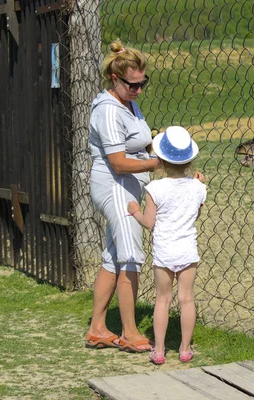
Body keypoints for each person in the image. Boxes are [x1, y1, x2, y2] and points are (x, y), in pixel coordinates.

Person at [84, 40, 159, 353]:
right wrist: (157, 163)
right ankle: (129, 332)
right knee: (130, 257)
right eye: (133, 84)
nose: (138, 90)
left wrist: (159, 145)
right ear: (115, 79)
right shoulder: (109, 111)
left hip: (127, 185)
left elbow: (137, 143)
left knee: (113, 256)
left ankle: (97, 329)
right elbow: (117, 161)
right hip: (115, 185)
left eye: (143, 83)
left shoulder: (127, 102)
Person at [127, 126, 207, 365]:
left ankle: (159, 350)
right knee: (186, 299)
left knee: (163, 299)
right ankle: (184, 349)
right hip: (187, 250)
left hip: (164, 251)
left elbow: (150, 223)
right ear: (190, 160)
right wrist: (199, 186)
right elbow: (195, 215)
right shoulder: (198, 187)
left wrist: (136, 211)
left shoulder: (155, 189)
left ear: (160, 160)